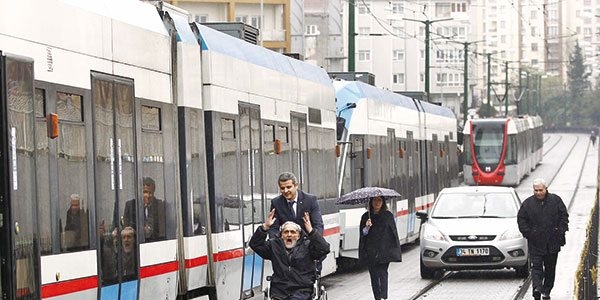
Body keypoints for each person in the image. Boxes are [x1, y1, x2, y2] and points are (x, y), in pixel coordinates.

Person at [249, 209, 330, 300]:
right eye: (286, 232)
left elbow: (324, 249)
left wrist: (311, 231)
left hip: (302, 289)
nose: (289, 235)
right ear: (281, 235)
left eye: (293, 232)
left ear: (298, 235)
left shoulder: (307, 245)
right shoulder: (274, 245)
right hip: (279, 290)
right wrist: (265, 227)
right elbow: (255, 244)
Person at [517, 178, 569, 300]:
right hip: (535, 243)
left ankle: (546, 290)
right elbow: (521, 220)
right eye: (536, 190)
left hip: (552, 242)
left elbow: (564, 216)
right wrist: (529, 233)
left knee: (550, 268)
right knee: (536, 267)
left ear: (546, 189)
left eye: (541, 190)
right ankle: (537, 289)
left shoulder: (555, 201)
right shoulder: (527, 204)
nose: (539, 193)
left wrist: (560, 231)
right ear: (533, 190)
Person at [359, 196, 402, 300]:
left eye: (379, 200)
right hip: (371, 251)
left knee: (382, 273)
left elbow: (392, 233)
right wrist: (367, 227)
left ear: (383, 202)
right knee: (373, 275)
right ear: (371, 202)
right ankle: (377, 297)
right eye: (374, 200)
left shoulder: (388, 216)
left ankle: (383, 296)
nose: (377, 203)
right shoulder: (366, 216)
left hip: (384, 250)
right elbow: (363, 234)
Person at [268, 172, 324, 239]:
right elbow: (273, 228)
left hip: (307, 244)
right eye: (282, 188)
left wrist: (315, 241)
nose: (285, 191)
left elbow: (318, 225)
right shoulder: (276, 203)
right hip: (287, 245)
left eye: (288, 187)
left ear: (296, 186)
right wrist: (277, 246)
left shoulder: (310, 200)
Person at [123, 177, 166, 242]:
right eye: (145, 192)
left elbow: (163, 230)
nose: (148, 196)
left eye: (150, 193)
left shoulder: (160, 206)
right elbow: (126, 229)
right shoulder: (130, 206)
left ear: (154, 192)